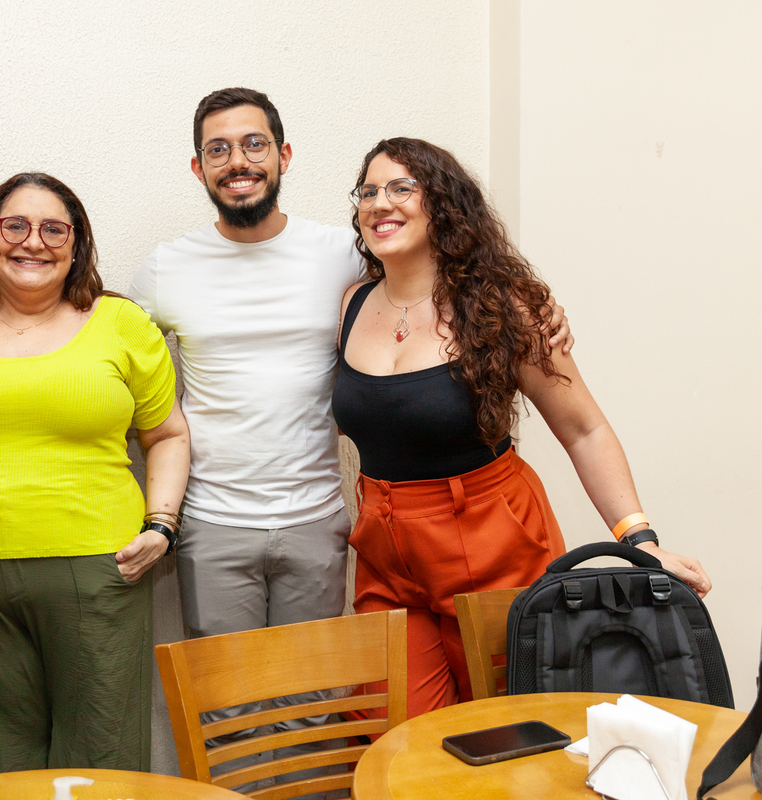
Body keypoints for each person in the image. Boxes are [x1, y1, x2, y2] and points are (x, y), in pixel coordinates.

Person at [128, 88, 570, 791]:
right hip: (214, 520)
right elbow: (104, 334)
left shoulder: (344, 256)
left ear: (283, 155)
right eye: (218, 149)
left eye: (253, 144)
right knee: (229, 715)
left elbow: (442, 281)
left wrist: (534, 306)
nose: (238, 161)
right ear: (197, 166)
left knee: (324, 713)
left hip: (321, 520)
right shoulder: (164, 268)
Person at [334, 136, 711, 719]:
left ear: (443, 205)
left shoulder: (503, 309)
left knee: (513, 722)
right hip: (386, 550)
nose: (381, 202)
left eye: (402, 187)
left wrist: (640, 541)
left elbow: (584, 429)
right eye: (369, 191)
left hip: (490, 535)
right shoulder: (352, 303)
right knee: (390, 727)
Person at [0, 173, 190, 780]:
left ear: (78, 243)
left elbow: (168, 434)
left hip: (99, 574)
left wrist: (162, 525)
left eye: (53, 229)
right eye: (14, 225)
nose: (32, 242)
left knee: (99, 762)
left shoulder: (120, 322)